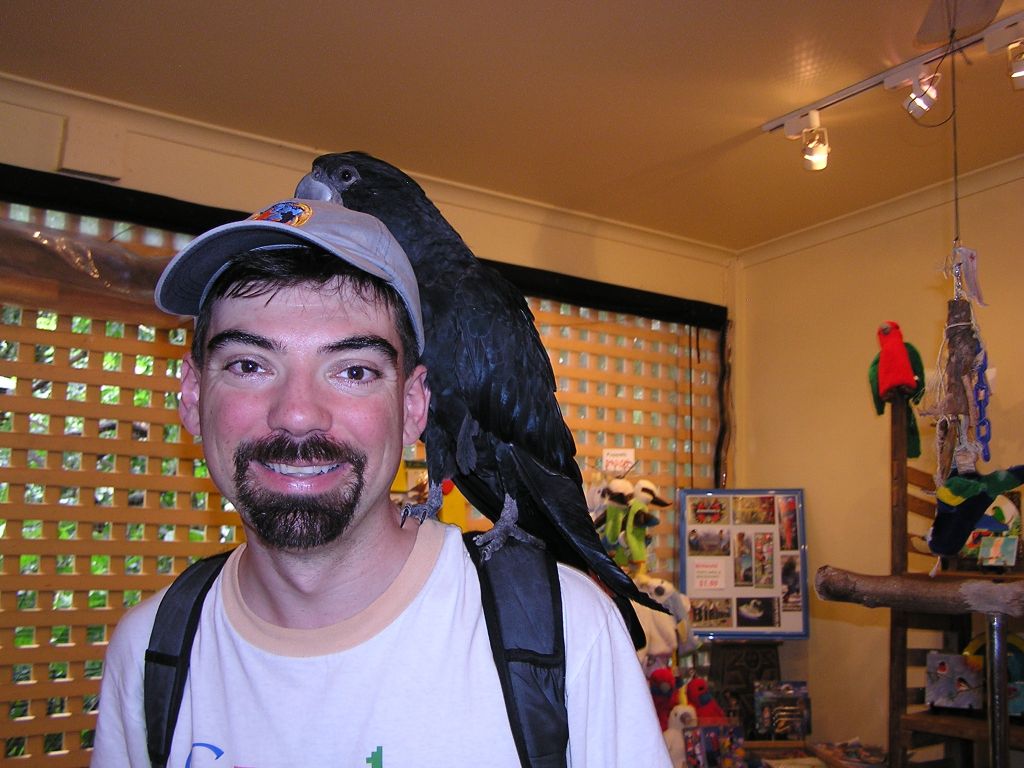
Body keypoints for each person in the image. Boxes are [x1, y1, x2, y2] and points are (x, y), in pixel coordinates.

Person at [91, 198, 671, 767]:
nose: (297, 414)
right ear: (192, 397)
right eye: (249, 365)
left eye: (353, 371)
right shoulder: (148, 652)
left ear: (415, 406)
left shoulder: (570, 635)